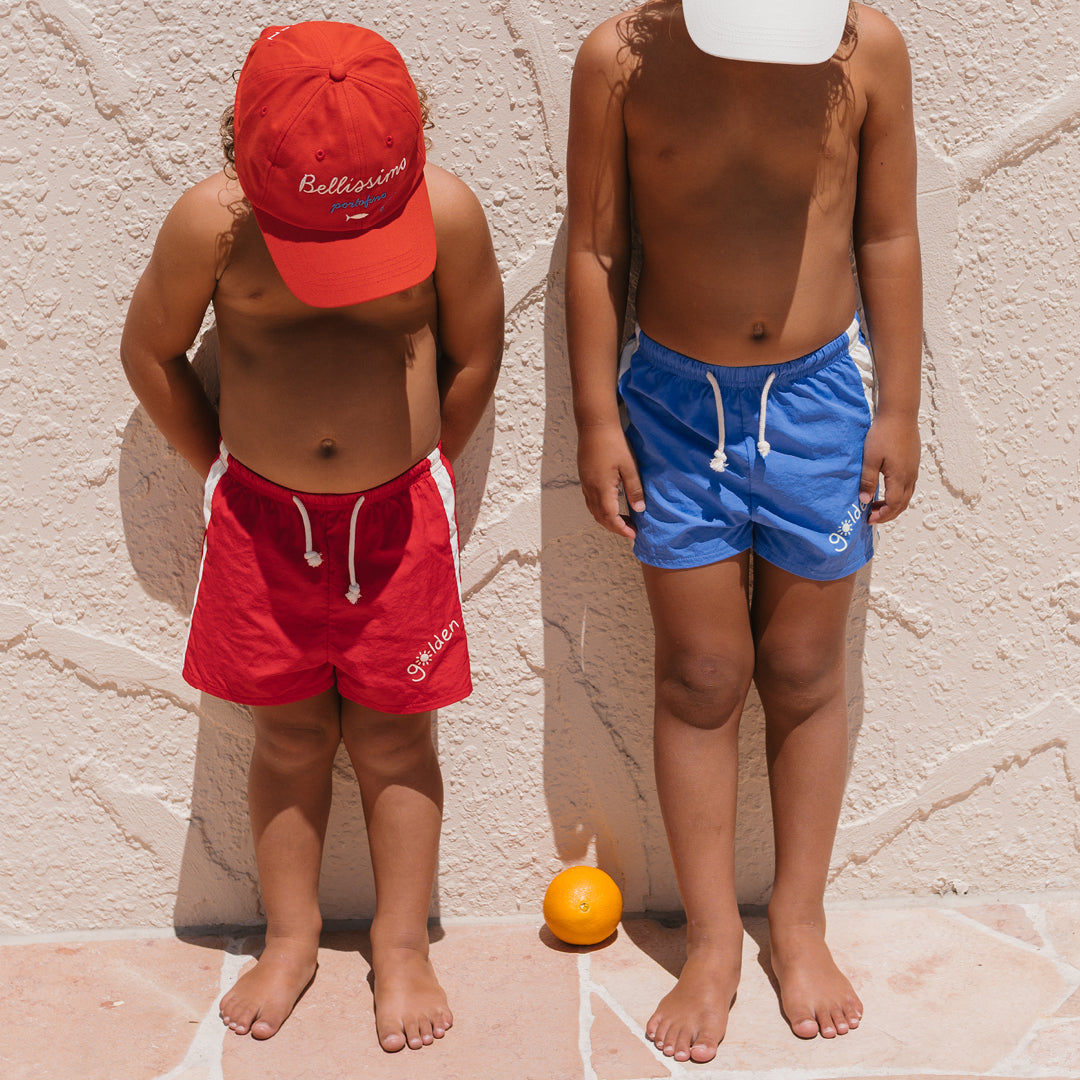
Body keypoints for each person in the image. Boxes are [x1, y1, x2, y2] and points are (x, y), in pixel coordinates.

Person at [121, 21, 503, 1052]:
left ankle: (402, 941)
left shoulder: (445, 214)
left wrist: (425, 465)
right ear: (246, 155)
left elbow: (475, 354)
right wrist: (215, 468)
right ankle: (287, 938)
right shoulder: (214, 224)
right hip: (259, 527)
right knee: (287, 738)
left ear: (414, 144)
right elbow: (152, 351)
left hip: (397, 529)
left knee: (395, 737)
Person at [566, 0, 920, 1064]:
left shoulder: (869, 49)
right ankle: (714, 939)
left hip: (820, 406)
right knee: (702, 672)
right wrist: (596, 418)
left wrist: (897, 405)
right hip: (674, 412)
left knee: (804, 667)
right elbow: (594, 248)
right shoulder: (619, 60)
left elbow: (889, 233)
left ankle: (797, 921)